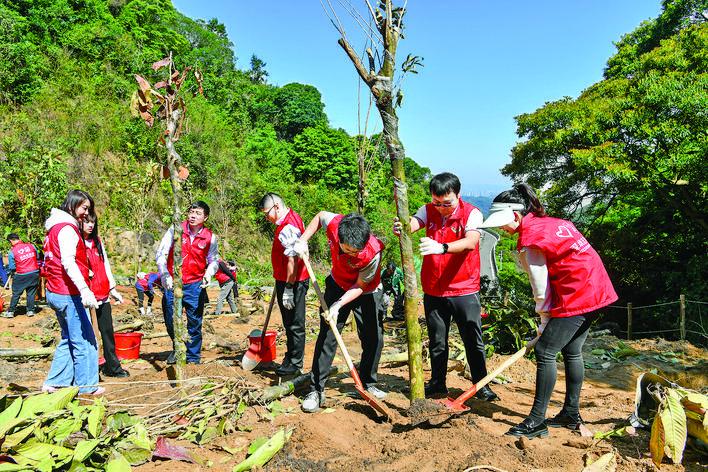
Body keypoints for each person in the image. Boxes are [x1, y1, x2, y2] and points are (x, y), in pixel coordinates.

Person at [478, 183, 618, 439]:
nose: (502, 229)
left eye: (502, 223)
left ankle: (536, 421)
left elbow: (540, 288)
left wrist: (543, 323)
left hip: (578, 292)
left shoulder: (531, 239)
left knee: (545, 351)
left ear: (516, 215)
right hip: (596, 287)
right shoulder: (553, 223)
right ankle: (570, 414)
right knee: (572, 350)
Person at [394, 172, 497, 402]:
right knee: (437, 340)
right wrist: (402, 226)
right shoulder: (427, 210)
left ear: (458, 195)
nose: (441, 208)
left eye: (447, 203)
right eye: (437, 202)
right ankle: (438, 383)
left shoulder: (472, 213)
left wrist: (441, 247)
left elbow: (471, 242)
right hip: (434, 289)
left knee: (472, 338)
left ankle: (481, 385)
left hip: (463, 288)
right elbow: (413, 223)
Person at [294, 212, 386, 412]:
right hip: (337, 283)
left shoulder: (373, 252)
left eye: (355, 252)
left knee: (373, 337)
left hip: (367, 290)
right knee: (327, 336)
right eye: (347, 249)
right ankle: (316, 390)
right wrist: (303, 240)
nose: (351, 254)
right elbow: (319, 217)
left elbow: (361, 285)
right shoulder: (336, 225)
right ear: (340, 238)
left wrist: (338, 305)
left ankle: (368, 383)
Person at [42, 189, 103, 395]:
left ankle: (56, 382)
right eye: (84, 208)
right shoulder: (67, 228)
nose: (86, 213)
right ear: (72, 204)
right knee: (85, 340)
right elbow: (68, 261)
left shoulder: (54, 227)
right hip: (67, 292)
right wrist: (85, 290)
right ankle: (86, 387)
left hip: (55, 291)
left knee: (69, 337)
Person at [156, 201, 219, 364]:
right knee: (170, 318)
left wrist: (209, 273)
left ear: (205, 217)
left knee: (194, 322)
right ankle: (178, 348)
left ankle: (193, 358)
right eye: (191, 212)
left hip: (195, 285)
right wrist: (165, 274)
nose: (193, 215)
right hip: (173, 282)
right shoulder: (176, 229)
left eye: (198, 213)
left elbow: (213, 259)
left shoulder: (210, 237)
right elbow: (161, 252)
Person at [258, 193, 310, 377]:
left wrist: (288, 287)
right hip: (286, 279)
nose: (266, 218)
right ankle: (290, 357)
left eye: (267, 213)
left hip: (293, 282)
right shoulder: (289, 219)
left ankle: (295, 364)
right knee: (289, 323)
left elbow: (292, 261)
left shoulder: (288, 227)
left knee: (294, 324)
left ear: (277, 206)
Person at [81, 212, 129, 378]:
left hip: (102, 294)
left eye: (93, 222)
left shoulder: (97, 241)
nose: (90, 225)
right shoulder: (76, 242)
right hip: (86, 297)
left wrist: (112, 288)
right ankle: (89, 371)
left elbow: (105, 264)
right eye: (87, 222)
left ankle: (112, 367)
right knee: (89, 335)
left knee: (107, 332)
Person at [2, 233, 40, 318]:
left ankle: (11, 311)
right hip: (34, 272)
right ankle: (30, 311)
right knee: (31, 293)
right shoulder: (31, 246)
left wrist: (12, 272)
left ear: (11, 241)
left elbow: (12, 267)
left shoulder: (12, 252)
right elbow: (37, 257)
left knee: (16, 293)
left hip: (21, 275)